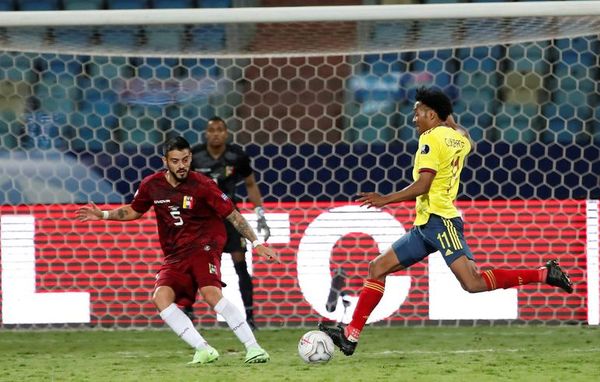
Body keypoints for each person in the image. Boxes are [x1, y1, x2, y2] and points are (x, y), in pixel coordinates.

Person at [319, 87, 573, 356]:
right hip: (425, 225)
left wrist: (385, 199)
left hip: (442, 222)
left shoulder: (430, 139)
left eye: (417, 113)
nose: (413, 118)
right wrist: (448, 119)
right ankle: (351, 334)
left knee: (472, 283)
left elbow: (423, 185)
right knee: (377, 267)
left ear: (431, 114)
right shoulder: (456, 138)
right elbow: (467, 139)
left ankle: (545, 274)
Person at [76, 136, 279, 365]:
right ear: (165, 161)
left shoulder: (203, 185)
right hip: (175, 253)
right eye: (175, 161)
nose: (181, 165)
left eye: (185, 159)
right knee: (160, 297)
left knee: (211, 294)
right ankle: (203, 349)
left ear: (190, 157)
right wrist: (103, 215)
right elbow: (134, 210)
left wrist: (256, 242)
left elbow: (232, 214)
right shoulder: (152, 185)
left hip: (205, 244)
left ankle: (254, 348)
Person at [191, 116, 271, 331]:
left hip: (230, 217)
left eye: (220, 130)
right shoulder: (194, 156)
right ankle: (188, 313)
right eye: (212, 130)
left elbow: (251, 183)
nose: (216, 133)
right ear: (206, 134)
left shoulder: (237, 156)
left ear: (226, 133)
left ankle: (250, 316)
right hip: (203, 220)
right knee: (194, 266)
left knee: (240, 265)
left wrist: (260, 213)